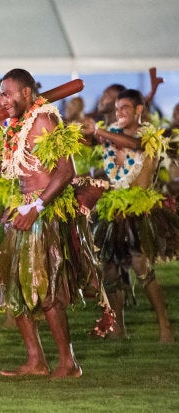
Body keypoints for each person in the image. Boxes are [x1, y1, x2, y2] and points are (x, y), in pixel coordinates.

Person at [0, 68, 94, 378]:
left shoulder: (46, 120)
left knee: (46, 287)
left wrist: (37, 206)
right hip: (22, 209)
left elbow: (65, 172)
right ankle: (36, 360)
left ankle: (68, 362)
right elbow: (2, 169)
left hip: (44, 211)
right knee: (15, 286)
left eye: (6, 92)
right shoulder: (14, 125)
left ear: (26, 93)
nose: (0, 98)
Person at [82, 89, 176, 343]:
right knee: (110, 269)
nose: (119, 112)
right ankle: (118, 328)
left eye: (124, 108)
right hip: (113, 210)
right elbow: (90, 142)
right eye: (116, 109)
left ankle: (165, 326)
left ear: (138, 110)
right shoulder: (111, 135)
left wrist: (100, 132)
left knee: (141, 266)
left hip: (140, 211)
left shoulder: (150, 137)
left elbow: (136, 146)